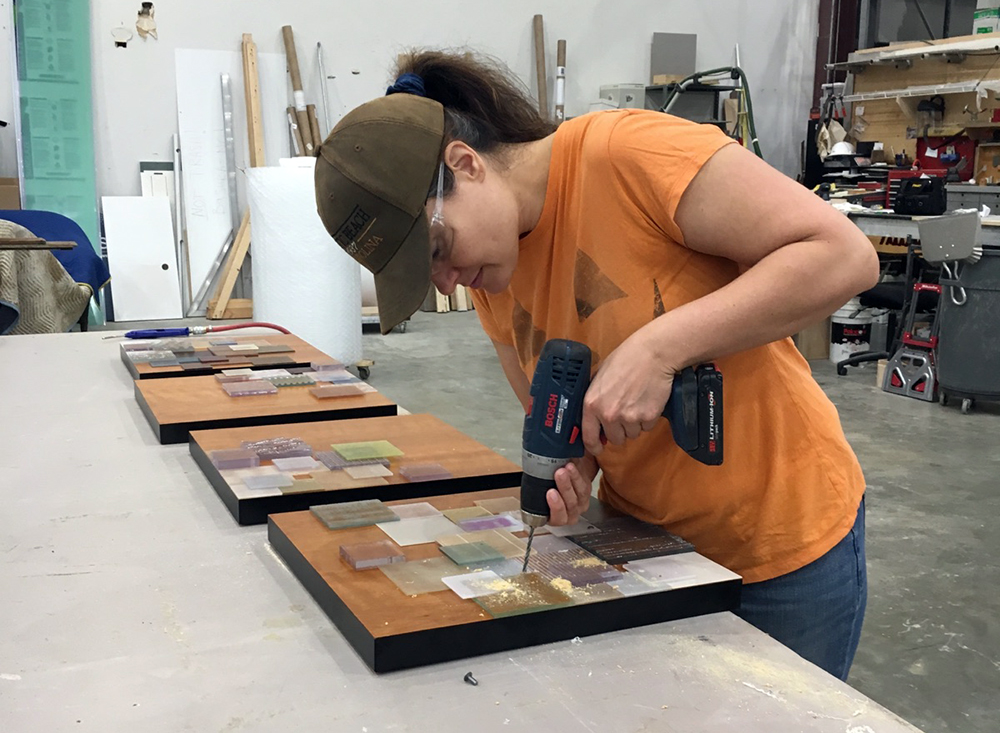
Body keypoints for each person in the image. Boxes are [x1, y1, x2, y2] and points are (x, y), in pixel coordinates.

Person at [313, 50, 879, 681]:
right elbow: (555, 414)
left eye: (439, 251)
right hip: (653, 548)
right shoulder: (488, 276)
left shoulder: (627, 154)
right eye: (427, 274)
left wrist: (659, 349)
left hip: (784, 546)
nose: (446, 281)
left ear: (465, 164)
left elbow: (843, 255)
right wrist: (574, 467)